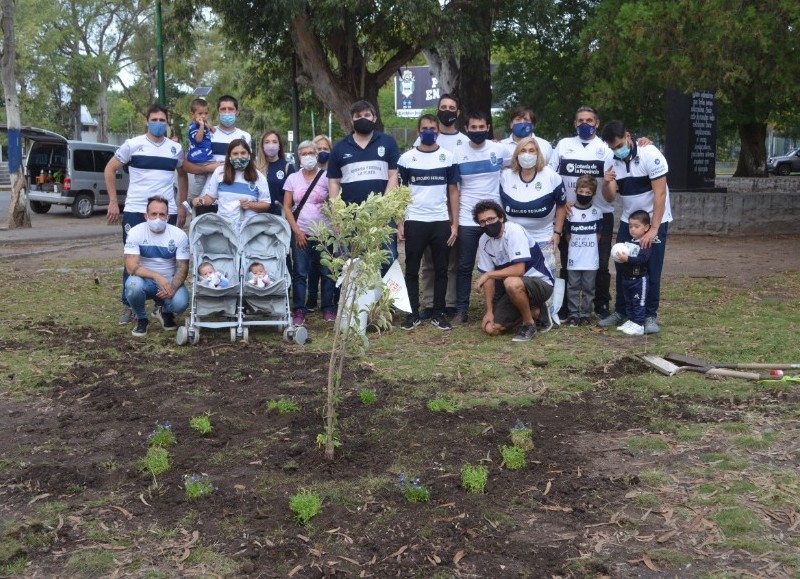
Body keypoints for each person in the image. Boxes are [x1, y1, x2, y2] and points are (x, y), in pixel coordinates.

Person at [104, 104, 189, 326]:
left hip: (166, 211)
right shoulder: (132, 145)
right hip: (135, 209)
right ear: (146, 121)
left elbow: (182, 175)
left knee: (166, 258)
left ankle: (163, 306)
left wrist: (182, 205)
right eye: (155, 119)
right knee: (132, 257)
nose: (159, 123)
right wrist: (114, 201)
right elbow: (109, 169)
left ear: (167, 123)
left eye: (163, 120)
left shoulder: (174, 149)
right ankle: (129, 305)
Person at [599, 120, 672, 334]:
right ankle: (622, 311)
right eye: (613, 148)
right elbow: (610, 196)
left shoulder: (650, 153)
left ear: (628, 136)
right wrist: (606, 182)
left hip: (653, 220)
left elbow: (660, 193)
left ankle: (649, 315)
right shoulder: (610, 160)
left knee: (651, 268)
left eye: (620, 144)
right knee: (622, 263)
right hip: (628, 221)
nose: (617, 150)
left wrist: (654, 229)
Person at [550, 105, 615, 320]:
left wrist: (606, 183)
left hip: (600, 214)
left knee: (601, 262)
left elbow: (610, 194)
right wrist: (560, 203)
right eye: (581, 120)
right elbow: (552, 178)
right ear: (575, 124)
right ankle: (566, 306)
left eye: (589, 120)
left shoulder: (606, 149)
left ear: (597, 123)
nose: (585, 124)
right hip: (570, 213)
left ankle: (601, 304)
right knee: (569, 260)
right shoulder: (563, 145)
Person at [397, 113, 460, 331]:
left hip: (440, 220)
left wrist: (454, 224)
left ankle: (438, 313)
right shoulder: (406, 159)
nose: (429, 132)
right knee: (412, 269)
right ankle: (412, 313)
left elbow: (453, 191)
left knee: (441, 269)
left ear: (438, 132)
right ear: (418, 131)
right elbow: (400, 193)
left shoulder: (448, 157)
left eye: (433, 128)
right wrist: (400, 222)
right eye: (425, 128)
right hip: (415, 220)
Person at [327, 100, 400, 275]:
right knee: (354, 262)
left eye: (367, 115)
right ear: (352, 120)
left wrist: (383, 207)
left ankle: (384, 302)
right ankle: (356, 302)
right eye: (358, 116)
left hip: (382, 216)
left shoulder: (388, 142)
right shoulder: (340, 147)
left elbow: (393, 176)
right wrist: (337, 214)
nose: (363, 119)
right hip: (351, 217)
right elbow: (334, 182)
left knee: (388, 258)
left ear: (374, 118)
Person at [500, 136, 566, 328]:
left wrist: (557, 233)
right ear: (516, 154)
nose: (527, 155)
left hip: (543, 239)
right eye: (523, 151)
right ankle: (524, 313)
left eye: (532, 151)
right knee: (513, 282)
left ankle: (543, 312)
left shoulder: (551, 176)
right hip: (513, 240)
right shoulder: (506, 176)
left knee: (538, 283)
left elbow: (562, 205)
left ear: (538, 154)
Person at [451, 111, 507, 326]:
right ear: (466, 128)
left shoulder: (499, 149)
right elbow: (454, 189)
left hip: (495, 218)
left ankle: (499, 306)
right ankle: (461, 309)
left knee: (500, 264)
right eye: (473, 127)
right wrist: (454, 220)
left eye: (481, 127)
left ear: (488, 127)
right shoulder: (457, 153)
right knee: (465, 265)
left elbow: (516, 165)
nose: (477, 131)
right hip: (468, 218)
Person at [472, 200, 554, 342]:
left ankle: (529, 325)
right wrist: (489, 311)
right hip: (514, 290)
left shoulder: (514, 231)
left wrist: (488, 274)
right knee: (491, 328)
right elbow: (488, 281)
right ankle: (536, 312)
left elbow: (519, 269)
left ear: (501, 217)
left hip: (540, 283)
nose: (487, 224)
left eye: (491, 219)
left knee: (511, 282)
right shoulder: (484, 240)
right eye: (483, 222)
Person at [416, 94, 467, 320]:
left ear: (458, 113)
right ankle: (428, 303)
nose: (447, 110)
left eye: (452, 107)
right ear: (437, 111)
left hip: (455, 210)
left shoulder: (466, 141)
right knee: (428, 262)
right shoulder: (421, 142)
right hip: (428, 211)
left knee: (451, 261)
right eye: (443, 107)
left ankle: (449, 302)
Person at [283, 140, 336, 326]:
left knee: (328, 272)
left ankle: (328, 307)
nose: (308, 157)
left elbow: (335, 201)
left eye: (310, 153)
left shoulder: (327, 176)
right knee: (300, 273)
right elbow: (287, 207)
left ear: (316, 155)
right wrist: (296, 231)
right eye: (304, 153)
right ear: (299, 157)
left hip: (325, 233)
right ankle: (299, 310)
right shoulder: (292, 179)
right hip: (301, 233)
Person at [123, 196, 190, 338]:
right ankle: (142, 319)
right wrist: (156, 276)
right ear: (146, 215)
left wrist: (173, 287)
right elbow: (131, 267)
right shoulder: (135, 232)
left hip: (169, 281)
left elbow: (183, 268)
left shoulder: (180, 235)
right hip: (145, 280)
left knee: (181, 302)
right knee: (132, 285)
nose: (157, 218)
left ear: (168, 216)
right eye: (153, 214)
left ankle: (164, 311)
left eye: (162, 214)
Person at [183, 95, 252, 201]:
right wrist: (206, 168)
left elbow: (249, 166)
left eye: (231, 109)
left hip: (235, 198)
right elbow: (186, 166)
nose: (227, 112)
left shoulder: (245, 136)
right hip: (207, 198)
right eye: (223, 109)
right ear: (218, 112)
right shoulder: (206, 133)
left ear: (237, 112)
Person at [191, 139, 271, 228]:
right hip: (224, 227)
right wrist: (201, 200)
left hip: (249, 229)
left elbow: (266, 204)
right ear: (229, 156)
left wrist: (250, 205)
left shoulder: (259, 177)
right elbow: (210, 197)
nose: (239, 157)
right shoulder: (220, 172)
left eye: (243, 153)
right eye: (235, 154)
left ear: (249, 155)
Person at [564, 175, 602, 326]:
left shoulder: (597, 212)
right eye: (581, 191)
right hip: (574, 258)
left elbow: (598, 234)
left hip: (590, 258)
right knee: (572, 286)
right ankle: (573, 314)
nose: (584, 195)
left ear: (593, 194)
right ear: (575, 190)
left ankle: (585, 314)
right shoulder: (570, 212)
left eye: (588, 193)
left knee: (589, 288)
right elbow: (567, 235)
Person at [612, 210, 653, 336]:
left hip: (639, 280)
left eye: (636, 226)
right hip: (627, 279)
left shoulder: (645, 243)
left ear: (646, 228)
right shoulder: (628, 242)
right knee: (628, 301)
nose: (632, 229)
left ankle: (639, 324)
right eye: (630, 226)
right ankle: (631, 321)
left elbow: (642, 259)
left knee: (638, 302)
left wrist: (627, 259)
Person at [305, 134, 333, 312]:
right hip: (309, 226)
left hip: (328, 225)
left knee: (327, 265)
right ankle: (312, 298)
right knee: (311, 265)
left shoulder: (333, 173)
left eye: (325, 149)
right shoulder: (305, 173)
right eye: (319, 149)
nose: (322, 152)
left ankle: (329, 302)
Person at [255, 130, 295, 216]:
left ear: (279, 146)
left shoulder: (287, 167)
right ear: (262, 146)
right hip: (258, 218)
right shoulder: (255, 168)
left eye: (274, 142)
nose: (271, 145)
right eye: (267, 142)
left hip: (280, 218)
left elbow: (292, 197)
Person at [186, 98, 216, 199]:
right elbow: (198, 139)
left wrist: (209, 126)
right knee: (200, 182)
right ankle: (190, 200)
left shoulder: (203, 124)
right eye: (200, 113)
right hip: (200, 159)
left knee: (211, 179)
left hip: (206, 157)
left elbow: (213, 129)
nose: (203, 116)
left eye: (206, 113)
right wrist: (202, 126)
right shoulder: (194, 127)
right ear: (193, 115)